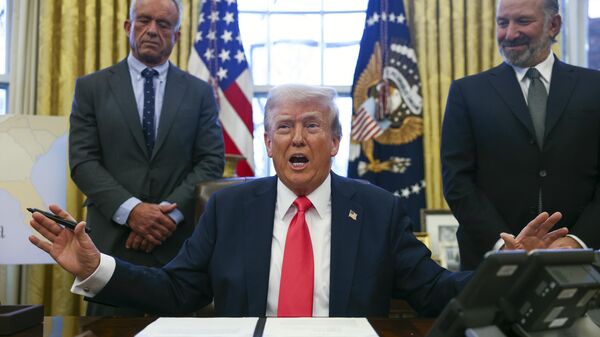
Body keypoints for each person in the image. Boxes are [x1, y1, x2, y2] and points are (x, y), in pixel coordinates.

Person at [31, 84, 567, 317]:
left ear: (336, 142)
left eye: (312, 126)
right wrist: (98, 266)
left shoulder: (377, 209)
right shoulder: (229, 208)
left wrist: (506, 269)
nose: (296, 138)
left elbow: (433, 291)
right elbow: (176, 291)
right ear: (266, 144)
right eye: (283, 127)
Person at [68, 0, 224, 315]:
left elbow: (210, 161)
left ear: (176, 36)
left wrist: (166, 217)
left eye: (164, 24)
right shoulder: (91, 88)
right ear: (128, 27)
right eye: (144, 21)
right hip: (112, 243)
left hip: (177, 245)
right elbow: (83, 162)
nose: (152, 30)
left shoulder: (200, 93)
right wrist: (133, 212)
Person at [441, 0, 600, 270]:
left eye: (523, 22)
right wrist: (504, 243)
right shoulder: (467, 93)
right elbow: (457, 181)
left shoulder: (594, 88)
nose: (510, 33)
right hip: (492, 261)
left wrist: (576, 239)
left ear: (554, 25)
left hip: (581, 261)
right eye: (503, 23)